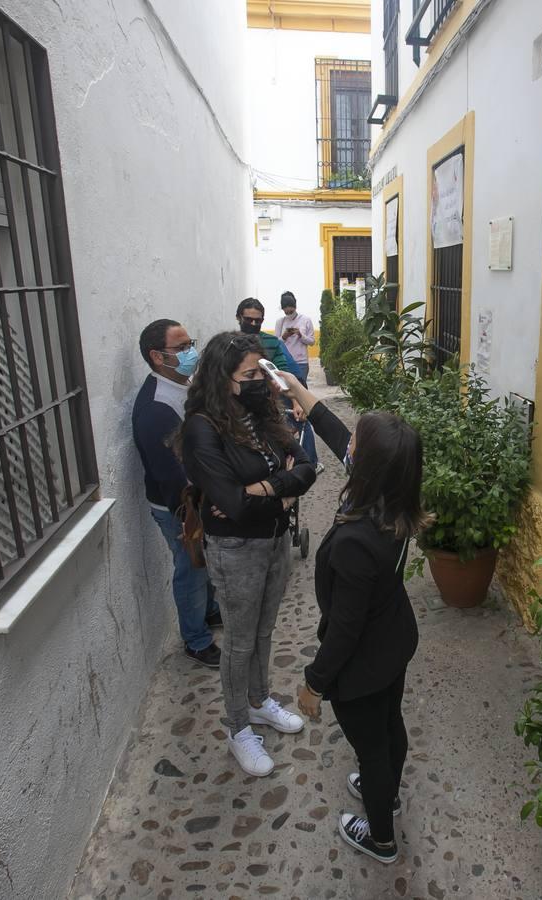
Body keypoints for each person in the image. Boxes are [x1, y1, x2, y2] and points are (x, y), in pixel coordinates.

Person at [282, 371, 427, 866]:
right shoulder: (395, 496)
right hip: (394, 641)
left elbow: (344, 631)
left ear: (365, 465)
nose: (351, 445)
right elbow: (335, 431)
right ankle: (382, 787)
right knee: (390, 725)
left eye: (358, 444)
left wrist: (312, 685)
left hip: (362, 662)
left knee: (371, 745)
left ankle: (381, 836)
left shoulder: (355, 541)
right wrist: (296, 389)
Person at [178, 332, 316, 776]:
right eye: (250, 374)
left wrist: (270, 493)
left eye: (263, 372)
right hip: (235, 548)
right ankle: (238, 727)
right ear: (223, 378)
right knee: (239, 642)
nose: (261, 380)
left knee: (263, 630)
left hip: (275, 539)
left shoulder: (261, 411)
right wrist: (282, 486)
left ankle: (259, 701)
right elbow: (233, 506)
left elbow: (308, 465)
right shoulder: (203, 427)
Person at [132, 318, 222, 667]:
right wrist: (195, 511)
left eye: (191, 344)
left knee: (205, 561)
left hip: (196, 497)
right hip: (180, 507)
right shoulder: (155, 409)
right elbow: (171, 475)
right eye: (181, 348)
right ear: (158, 356)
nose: (191, 353)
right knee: (191, 567)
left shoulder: (181, 384)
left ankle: (210, 612)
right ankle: (196, 641)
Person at [237, 297, 320, 471]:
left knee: (298, 422)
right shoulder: (229, 344)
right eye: (248, 320)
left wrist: (297, 402)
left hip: (271, 399)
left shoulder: (272, 343)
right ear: (239, 318)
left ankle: (309, 464)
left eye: (258, 321)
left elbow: (283, 374)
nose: (253, 324)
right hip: (240, 406)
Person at [275, 291, 316, 386]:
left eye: (291, 311)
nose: (289, 314)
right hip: (285, 362)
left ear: (295, 307)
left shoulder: (306, 320)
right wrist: (284, 336)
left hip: (301, 362)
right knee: (287, 391)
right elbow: (276, 343)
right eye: (286, 312)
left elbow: (312, 342)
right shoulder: (280, 322)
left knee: (301, 390)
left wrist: (301, 335)